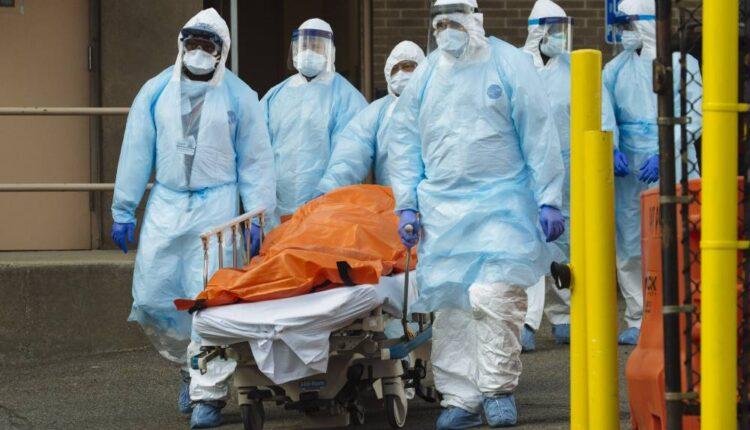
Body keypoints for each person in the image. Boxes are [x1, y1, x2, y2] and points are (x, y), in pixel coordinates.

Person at [387, 0, 565, 427]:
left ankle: (498, 390)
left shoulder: (507, 63)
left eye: (453, 19)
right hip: (443, 210)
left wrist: (549, 197)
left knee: (494, 297)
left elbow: (538, 130)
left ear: (473, 18)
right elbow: (405, 140)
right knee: (452, 308)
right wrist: (406, 204)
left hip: (503, 203)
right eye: (439, 22)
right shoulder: (427, 74)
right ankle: (460, 399)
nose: (446, 29)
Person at [110, 9, 275, 428]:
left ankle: (208, 395)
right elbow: (136, 150)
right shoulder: (154, 92)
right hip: (166, 206)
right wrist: (124, 208)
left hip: (216, 210)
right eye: (193, 42)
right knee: (153, 295)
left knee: (208, 302)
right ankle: (190, 367)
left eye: (208, 44)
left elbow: (256, 162)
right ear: (181, 44)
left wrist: (258, 217)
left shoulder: (240, 96)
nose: (199, 51)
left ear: (222, 51)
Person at [519, 0, 619, 352]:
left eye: (563, 30)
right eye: (554, 30)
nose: (560, 37)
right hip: (526, 172)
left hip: (568, 171)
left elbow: (599, 108)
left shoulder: (575, 69)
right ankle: (525, 322)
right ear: (538, 31)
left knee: (565, 244)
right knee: (528, 246)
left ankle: (564, 317)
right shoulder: (515, 67)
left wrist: (609, 146)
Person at [603, 0, 702, 345]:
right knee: (631, 241)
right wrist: (612, 146)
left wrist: (665, 151)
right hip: (631, 169)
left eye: (630, 24)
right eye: (622, 25)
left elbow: (694, 115)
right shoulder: (614, 69)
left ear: (647, 23)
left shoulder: (681, 64)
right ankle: (638, 316)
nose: (625, 32)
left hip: (675, 161)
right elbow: (604, 111)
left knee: (678, 236)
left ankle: (682, 311)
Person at [261, 18, 367, 224]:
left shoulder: (347, 98)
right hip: (277, 210)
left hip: (327, 209)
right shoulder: (275, 96)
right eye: (304, 45)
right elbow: (257, 150)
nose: (308, 51)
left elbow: (351, 154)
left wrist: (327, 191)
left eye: (316, 46)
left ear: (329, 51)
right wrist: (261, 200)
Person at [316, 41, 425, 193]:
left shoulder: (436, 107)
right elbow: (351, 154)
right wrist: (328, 190)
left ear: (422, 69)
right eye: (395, 69)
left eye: (408, 66)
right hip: (392, 201)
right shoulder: (377, 111)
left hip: (435, 201)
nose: (401, 73)